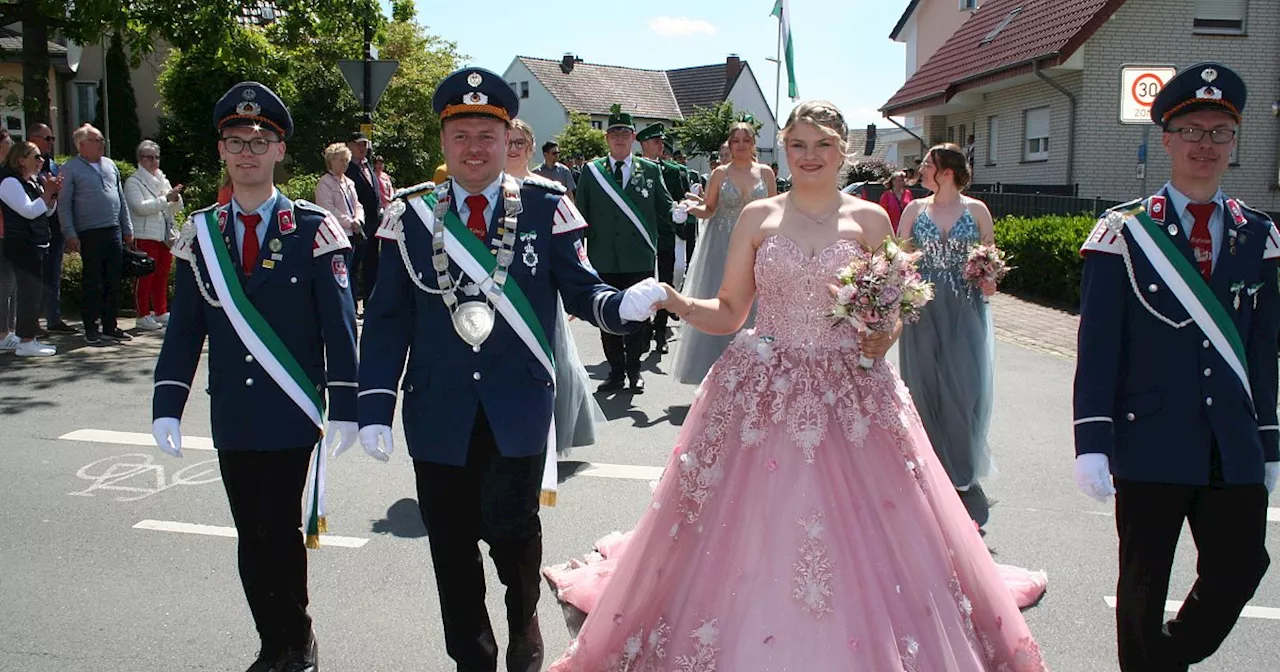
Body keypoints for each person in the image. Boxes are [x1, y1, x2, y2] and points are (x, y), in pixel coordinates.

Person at [542, 100, 1048, 671]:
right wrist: (676, 300)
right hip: (766, 385)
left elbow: (895, 303)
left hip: (852, 389)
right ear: (783, 150)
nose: (810, 156)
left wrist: (886, 333)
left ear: (843, 150)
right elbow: (731, 310)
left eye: (823, 144)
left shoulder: (872, 220)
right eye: (798, 145)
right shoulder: (759, 217)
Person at [354, 67, 664, 672]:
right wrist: (372, 407)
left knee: (514, 538)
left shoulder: (548, 207)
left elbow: (581, 290)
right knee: (449, 546)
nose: (474, 148)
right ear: (443, 142)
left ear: (506, 141)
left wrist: (619, 307)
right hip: (437, 409)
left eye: (487, 136)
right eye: (461, 135)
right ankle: (472, 656)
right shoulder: (410, 215)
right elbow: (388, 318)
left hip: (516, 409)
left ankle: (524, 630)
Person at [1073, 62, 1278, 672]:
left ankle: (1167, 658)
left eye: (1220, 132)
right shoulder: (1125, 231)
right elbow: (1099, 344)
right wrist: (1093, 441)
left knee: (1241, 566)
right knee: (1143, 580)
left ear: (1234, 143)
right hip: (1150, 435)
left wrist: (1268, 441)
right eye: (1192, 130)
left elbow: (1263, 347)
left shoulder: (1258, 236)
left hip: (1231, 440)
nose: (1205, 145)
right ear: (1166, 138)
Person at [150, 81, 359, 672]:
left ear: (280, 151)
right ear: (221, 150)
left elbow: (339, 327)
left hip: (291, 407)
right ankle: (274, 641)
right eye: (236, 141)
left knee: (280, 528)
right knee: (251, 532)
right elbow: (185, 328)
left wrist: (344, 403)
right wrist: (168, 401)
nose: (248, 151)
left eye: (260, 140)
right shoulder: (201, 234)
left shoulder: (315, 229)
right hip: (235, 412)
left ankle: (296, 641)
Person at [896, 143, 999, 525]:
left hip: (964, 309)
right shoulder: (913, 209)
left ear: (948, 171)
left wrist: (989, 278)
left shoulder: (976, 210)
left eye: (928, 164)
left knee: (962, 386)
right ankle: (927, 464)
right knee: (921, 384)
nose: (922, 169)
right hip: (921, 308)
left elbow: (989, 258)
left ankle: (958, 466)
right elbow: (898, 256)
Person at [505, 119, 607, 453]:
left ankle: (547, 440)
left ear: (531, 148)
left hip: (538, 297)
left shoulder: (546, 194)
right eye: (508, 141)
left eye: (520, 142)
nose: (513, 148)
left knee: (552, 366)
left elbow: (569, 252)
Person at [575, 104, 682, 392]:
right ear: (607, 138)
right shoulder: (591, 172)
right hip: (603, 258)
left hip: (638, 256)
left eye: (624, 133)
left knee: (637, 317)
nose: (619, 138)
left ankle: (634, 370)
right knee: (607, 318)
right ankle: (615, 371)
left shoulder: (649, 169)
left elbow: (665, 206)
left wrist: (681, 213)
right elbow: (580, 217)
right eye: (614, 133)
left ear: (633, 137)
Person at [670, 121, 776, 384]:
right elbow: (710, 209)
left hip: (757, 245)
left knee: (756, 306)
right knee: (722, 301)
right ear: (729, 144)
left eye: (746, 140)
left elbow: (775, 212)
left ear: (754, 143)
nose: (740, 145)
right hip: (722, 245)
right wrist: (689, 209)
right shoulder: (719, 174)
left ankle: (753, 373)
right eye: (735, 140)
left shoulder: (766, 174)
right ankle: (716, 374)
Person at [58, 124, 134, 346]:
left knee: (113, 279)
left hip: (113, 229)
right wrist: (70, 233)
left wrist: (127, 228)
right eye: (96, 140)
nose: (102, 143)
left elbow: (120, 199)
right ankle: (91, 328)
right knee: (93, 281)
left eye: (101, 139)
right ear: (82, 145)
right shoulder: (70, 169)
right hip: (88, 232)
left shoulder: (110, 165)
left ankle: (111, 326)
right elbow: (64, 205)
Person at [1, 141, 60, 356]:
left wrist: (51, 195)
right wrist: (47, 194)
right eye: (35, 157)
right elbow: (27, 211)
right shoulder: (10, 182)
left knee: (38, 292)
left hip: (37, 241)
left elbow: (46, 212)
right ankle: (26, 341)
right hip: (21, 243)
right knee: (29, 293)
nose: (41, 161)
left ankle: (28, 337)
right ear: (20, 160)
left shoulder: (32, 182)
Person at [636, 123, 688, 355]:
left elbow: (678, 200)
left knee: (665, 284)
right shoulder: (634, 169)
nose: (661, 145)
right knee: (643, 285)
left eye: (661, 141)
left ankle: (660, 332)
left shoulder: (673, 171)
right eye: (655, 141)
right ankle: (644, 331)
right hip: (643, 236)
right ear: (643, 144)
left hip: (666, 236)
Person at [125, 140, 183, 331]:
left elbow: (175, 208)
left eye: (156, 157)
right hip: (144, 234)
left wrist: (175, 198)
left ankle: (161, 310)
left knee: (162, 275)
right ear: (140, 159)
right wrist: (165, 199)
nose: (154, 161)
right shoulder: (134, 181)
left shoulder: (162, 179)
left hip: (164, 235)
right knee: (145, 277)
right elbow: (140, 208)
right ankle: (142, 314)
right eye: (149, 157)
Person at [28, 123, 75, 335]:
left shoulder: (54, 166)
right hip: (33, 230)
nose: (51, 143)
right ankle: (32, 322)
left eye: (52, 139)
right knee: (33, 277)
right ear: (33, 138)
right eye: (47, 138)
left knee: (53, 274)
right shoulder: (25, 167)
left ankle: (54, 318)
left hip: (54, 227)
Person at [315, 142, 364, 298]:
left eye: (346, 160)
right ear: (331, 161)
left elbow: (358, 205)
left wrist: (358, 220)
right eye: (341, 160)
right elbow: (328, 210)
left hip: (353, 235)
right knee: (340, 274)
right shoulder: (325, 183)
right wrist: (350, 222)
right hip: (337, 236)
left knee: (353, 272)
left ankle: (353, 306)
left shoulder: (349, 183)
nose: (345, 163)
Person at [345, 132, 382, 310]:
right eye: (359, 144)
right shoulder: (347, 169)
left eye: (365, 144)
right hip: (357, 224)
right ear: (350, 146)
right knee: (355, 265)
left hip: (374, 222)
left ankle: (370, 303)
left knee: (373, 264)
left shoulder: (368, 166)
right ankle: (352, 304)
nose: (363, 148)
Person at [879, 170, 913, 235]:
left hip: (905, 228)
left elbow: (911, 209)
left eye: (902, 180)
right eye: (898, 181)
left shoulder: (908, 193)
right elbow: (882, 213)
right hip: (891, 229)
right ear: (893, 181)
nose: (900, 183)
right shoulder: (886, 195)